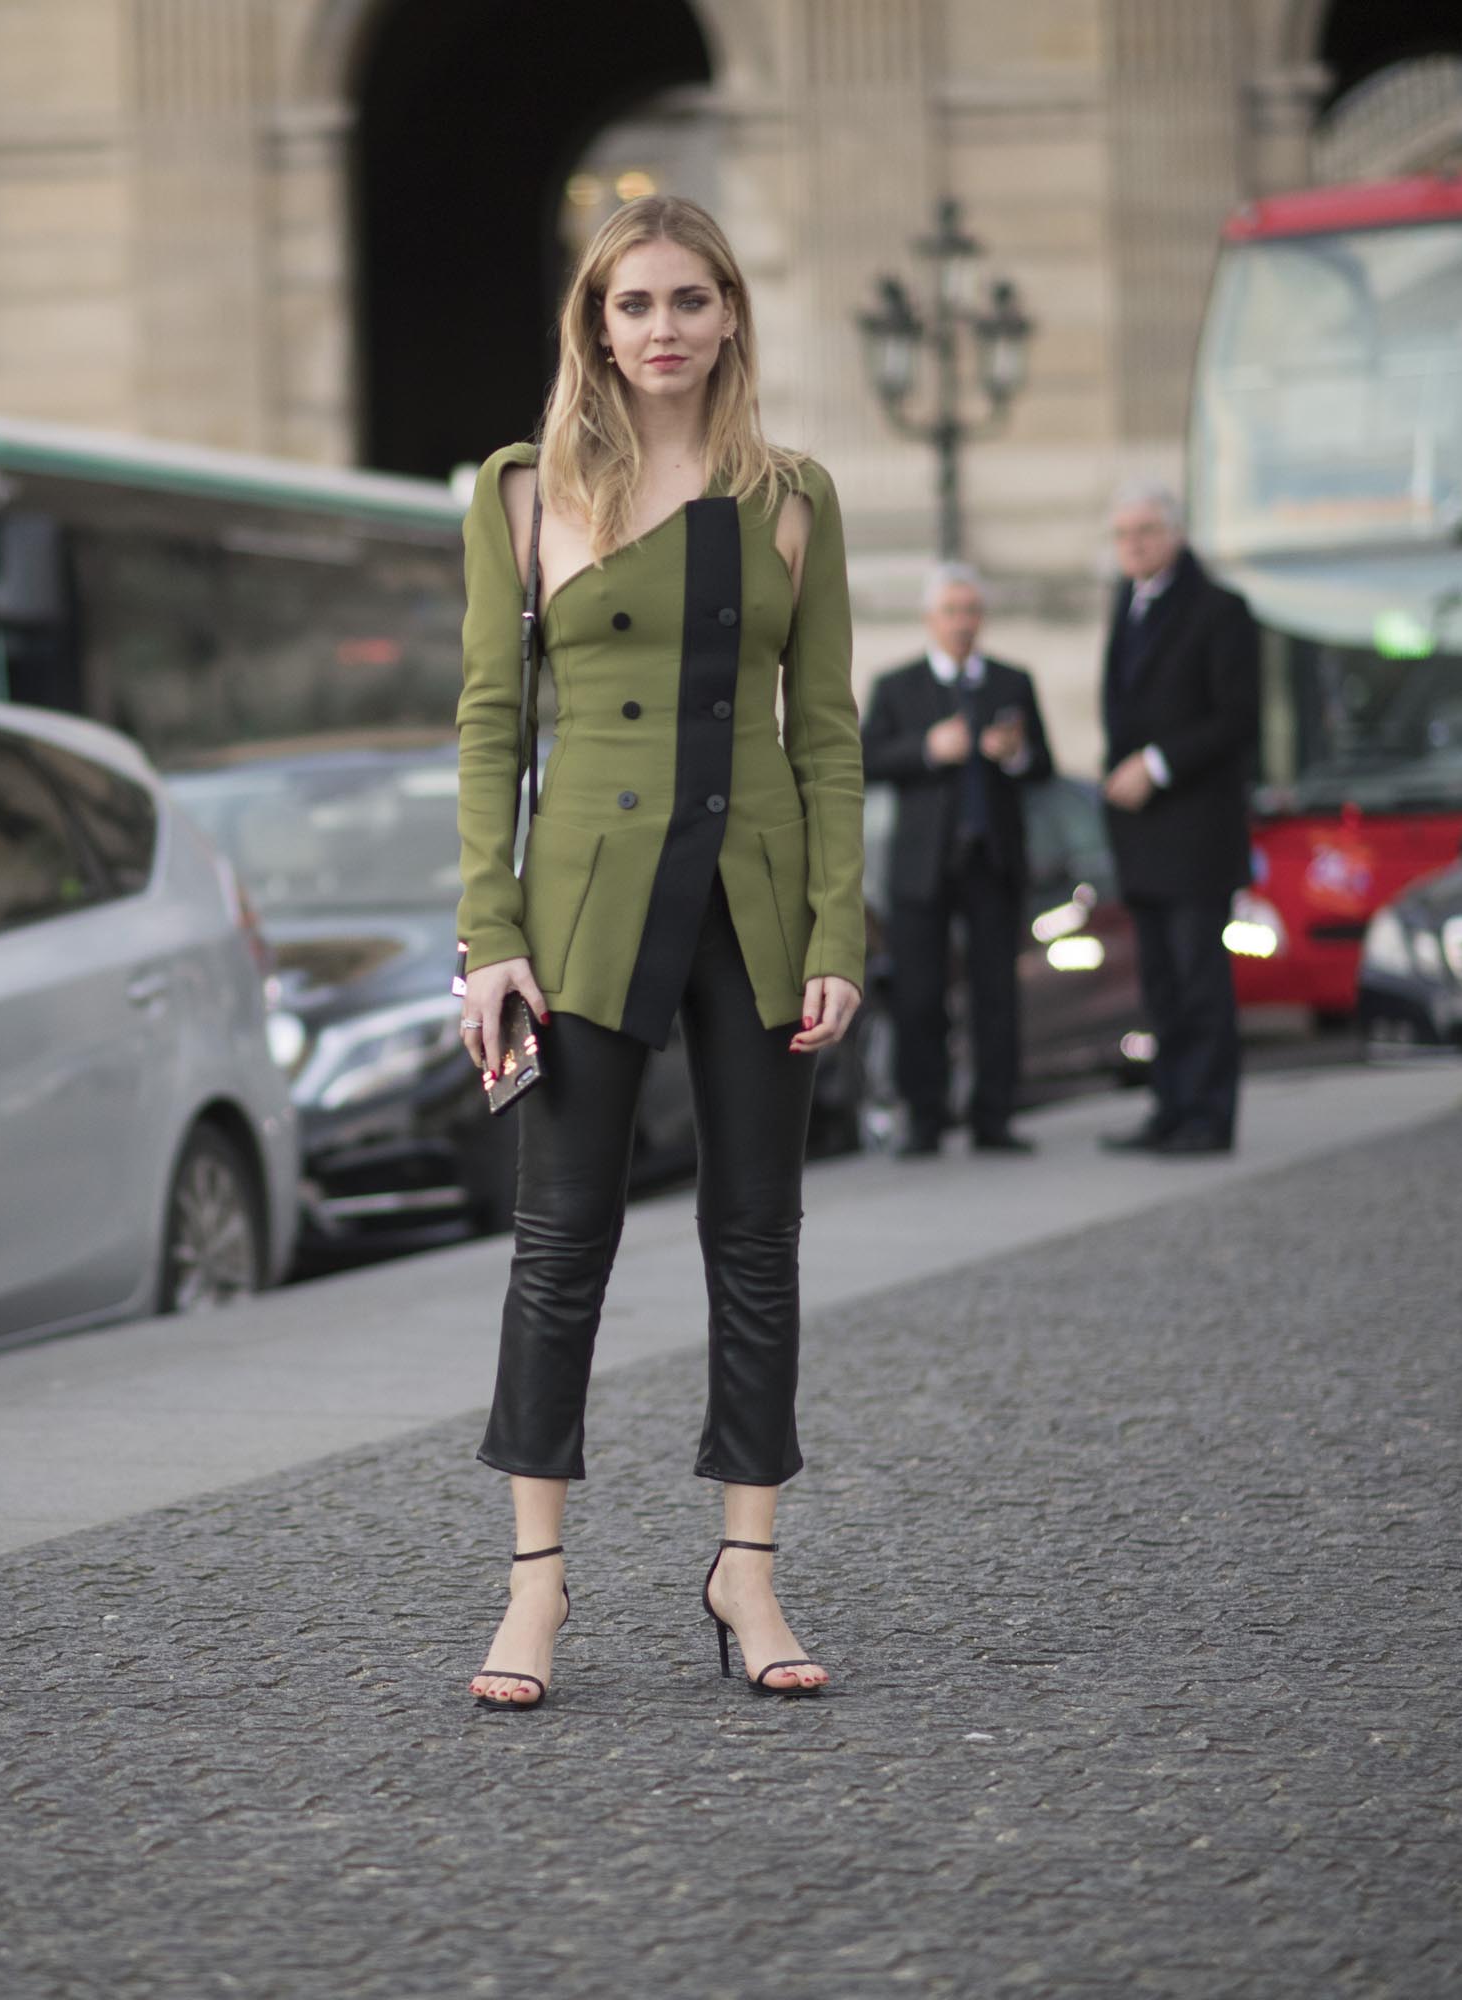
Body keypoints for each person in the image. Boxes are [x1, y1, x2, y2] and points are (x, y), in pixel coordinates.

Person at [453, 195, 865, 1709]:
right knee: (561, 1245)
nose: (667, 329)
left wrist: (837, 929)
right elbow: (494, 728)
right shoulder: (521, 492)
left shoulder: (795, 496)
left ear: (733, 316)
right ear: (597, 325)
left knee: (757, 1243)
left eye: (692, 301)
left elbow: (822, 736)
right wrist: (486, 930)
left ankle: (746, 1570)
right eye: (637, 305)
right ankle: (535, 1590)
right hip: (578, 909)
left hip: (752, 903)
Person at [861, 562, 1053, 1156]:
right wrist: (927, 748)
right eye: (951, 611)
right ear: (930, 619)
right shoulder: (898, 685)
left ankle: (993, 1118)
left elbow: (1043, 766)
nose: (962, 622)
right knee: (919, 997)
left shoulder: (1011, 682)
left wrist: (1016, 755)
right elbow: (867, 759)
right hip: (922, 867)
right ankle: (926, 1118)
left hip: (991, 861)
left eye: (971, 611)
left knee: (997, 994)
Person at [1095, 479, 1259, 1157]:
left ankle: (1207, 1116)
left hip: (1194, 829)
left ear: (1176, 535)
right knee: (1160, 984)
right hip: (1142, 836)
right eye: (1124, 535)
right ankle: (1170, 1108)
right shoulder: (1125, 603)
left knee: (1199, 980)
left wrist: (1156, 765)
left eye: (1146, 532)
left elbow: (1234, 719)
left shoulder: (1220, 609)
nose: (1134, 545)